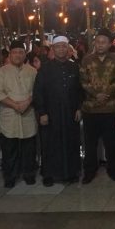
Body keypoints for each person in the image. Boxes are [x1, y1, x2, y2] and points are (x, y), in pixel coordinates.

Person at [33, 35, 82, 187]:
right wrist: (42, 112)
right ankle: (49, 174)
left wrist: (79, 108)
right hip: (51, 114)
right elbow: (38, 92)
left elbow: (80, 90)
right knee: (50, 144)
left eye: (64, 46)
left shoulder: (74, 67)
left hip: (70, 113)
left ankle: (71, 173)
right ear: (53, 49)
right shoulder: (45, 69)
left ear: (68, 49)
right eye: (58, 46)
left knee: (71, 143)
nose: (61, 49)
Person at [80, 28, 115, 183]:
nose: (100, 45)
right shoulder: (86, 59)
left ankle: (113, 171)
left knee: (111, 142)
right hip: (90, 108)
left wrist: (104, 94)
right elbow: (83, 81)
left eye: (103, 42)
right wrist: (95, 95)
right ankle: (89, 172)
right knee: (90, 144)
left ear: (109, 44)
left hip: (109, 107)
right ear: (94, 43)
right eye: (98, 42)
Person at [0, 40, 38, 189]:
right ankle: (10, 177)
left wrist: (27, 102)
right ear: (10, 54)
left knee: (29, 148)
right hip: (9, 115)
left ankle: (29, 174)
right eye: (15, 52)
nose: (18, 55)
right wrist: (15, 105)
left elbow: (37, 91)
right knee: (9, 149)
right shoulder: (2, 72)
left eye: (21, 52)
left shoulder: (32, 71)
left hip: (28, 113)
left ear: (25, 54)